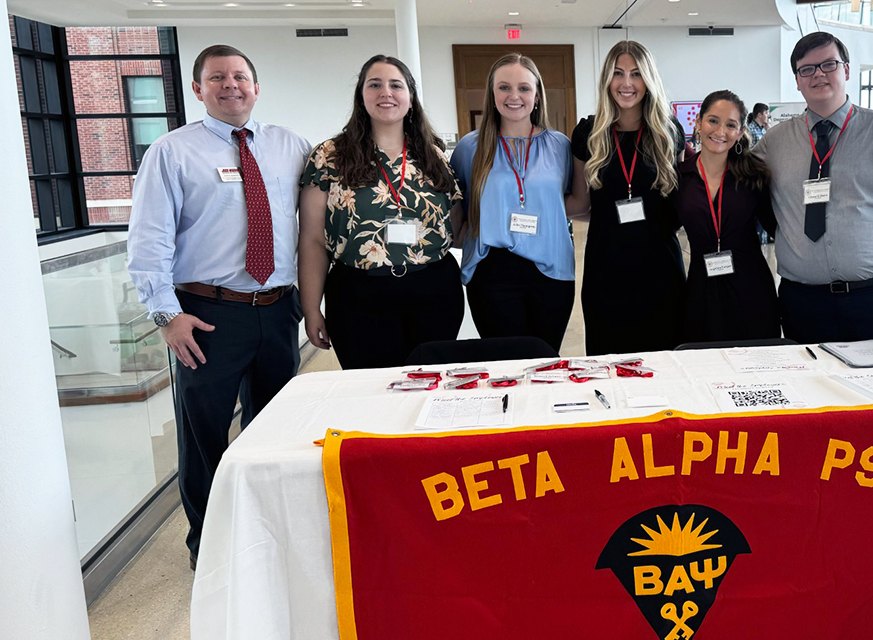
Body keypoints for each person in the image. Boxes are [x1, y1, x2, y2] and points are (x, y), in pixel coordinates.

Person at [126, 45, 311, 569]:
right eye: (217, 78)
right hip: (206, 314)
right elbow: (149, 241)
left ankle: (272, 535)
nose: (231, 85)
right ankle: (209, 546)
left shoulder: (288, 145)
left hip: (277, 309)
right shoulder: (172, 151)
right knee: (204, 431)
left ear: (256, 86)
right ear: (197, 89)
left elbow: (316, 221)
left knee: (275, 427)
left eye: (240, 76)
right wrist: (166, 314)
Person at [754, 31, 873, 348]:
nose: (818, 74)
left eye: (829, 64)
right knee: (813, 396)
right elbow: (739, 183)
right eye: (807, 68)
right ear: (797, 79)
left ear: (847, 70)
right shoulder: (776, 140)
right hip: (803, 304)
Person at [297, 55, 463, 370]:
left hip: (434, 294)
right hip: (359, 298)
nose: (385, 92)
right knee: (372, 396)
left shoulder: (434, 155)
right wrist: (311, 309)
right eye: (375, 85)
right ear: (361, 96)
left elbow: (453, 227)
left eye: (395, 85)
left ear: (411, 98)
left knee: (429, 391)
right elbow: (313, 240)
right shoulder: (330, 156)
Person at [566, 41, 687, 355]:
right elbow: (579, 204)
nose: (627, 83)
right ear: (607, 79)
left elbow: (682, 201)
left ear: (649, 80)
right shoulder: (588, 134)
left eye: (636, 74)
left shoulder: (668, 131)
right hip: (607, 270)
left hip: (660, 269)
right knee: (608, 366)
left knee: (665, 365)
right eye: (618, 73)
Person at [450, 53, 575, 351]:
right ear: (492, 95)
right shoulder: (470, 147)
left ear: (537, 96)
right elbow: (458, 208)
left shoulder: (560, 146)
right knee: (504, 364)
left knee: (546, 361)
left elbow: (569, 200)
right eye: (504, 87)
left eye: (524, 88)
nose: (514, 96)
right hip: (493, 272)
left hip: (552, 271)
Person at [673, 90, 779, 342]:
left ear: (741, 131)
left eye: (730, 125)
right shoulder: (679, 178)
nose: (720, 132)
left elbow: (778, 228)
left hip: (750, 289)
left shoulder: (754, 176)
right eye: (713, 120)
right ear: (698, 122)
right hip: (701, 290)